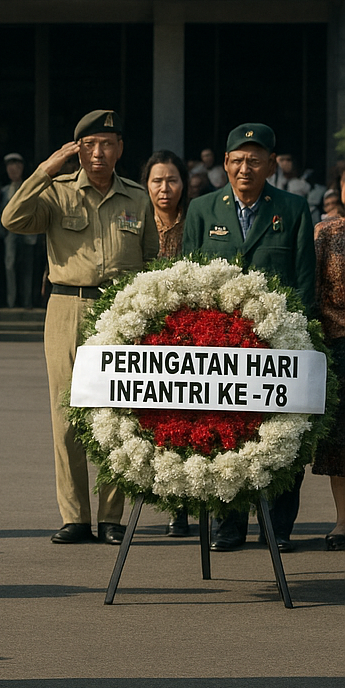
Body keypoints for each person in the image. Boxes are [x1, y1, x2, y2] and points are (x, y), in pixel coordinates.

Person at [2, 109, 158, 545]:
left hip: (121, 313)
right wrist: (45, 170)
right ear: (78, 150)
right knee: (66, 414)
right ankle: (74, 516)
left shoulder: (137, 198)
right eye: (89, 145)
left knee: (118, 414)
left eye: (107, 144)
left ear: (120, 148)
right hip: (68, 306)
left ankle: (111, 515)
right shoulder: (57, 193)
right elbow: (12, 219)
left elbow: (150, 262)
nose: (98, 153)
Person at [183, 123, 315, 552]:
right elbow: (184, 280)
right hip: (219, 350)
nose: (245, 168)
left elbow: (304, 284)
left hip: (276, 347)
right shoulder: (203, 209)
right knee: (224, 432)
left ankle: (277, 527)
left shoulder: (293, 209)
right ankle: (229, 523)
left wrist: (294, 335)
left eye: (254, 160)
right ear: (224, 164)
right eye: (237, 160)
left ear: (271, 165)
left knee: (281, 435)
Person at [141, 149, 191, 536]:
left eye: (171, 180)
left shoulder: (194, 221)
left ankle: (186, 503)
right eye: (157, 180)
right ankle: (166, 496)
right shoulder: (136, 219)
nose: (164, 188)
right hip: (147, 329)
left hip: (189, 329)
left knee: (188, 415)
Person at [314, 176, 345, 551]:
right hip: (339, 344)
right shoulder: (326, 232)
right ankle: (342, 521)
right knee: (340, 443)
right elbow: (313, 289)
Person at [1, 153, 38, 309]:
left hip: (28, 233)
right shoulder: (4, 191)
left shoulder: (28, 187)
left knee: (27, 268)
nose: (12, 170)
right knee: (10, 266)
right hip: (10, 235)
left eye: (15, 167)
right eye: (9, 167)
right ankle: (11, 301)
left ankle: (27, 301)